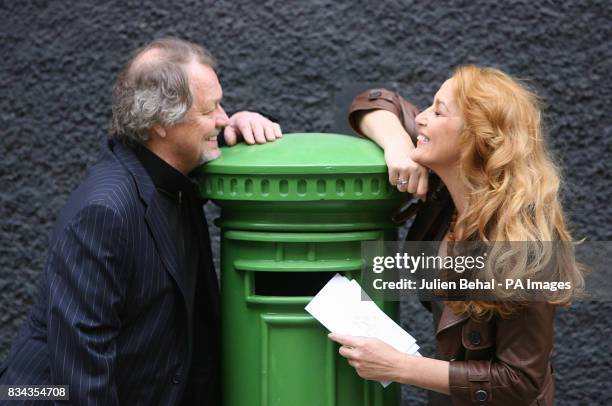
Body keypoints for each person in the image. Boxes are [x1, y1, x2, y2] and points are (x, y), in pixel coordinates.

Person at [0, 37, 281, 405]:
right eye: (210, 109)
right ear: (162, 122)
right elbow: (82, 371)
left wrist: (243, 133)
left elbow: (220, 151)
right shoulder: (104, 212)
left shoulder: (174, 172)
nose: (223, 117)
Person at [328, 65, 585, 405]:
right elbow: (367, 101)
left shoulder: (524, 243)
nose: (420, 117)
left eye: (437, 111)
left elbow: (521, 381)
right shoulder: (446, 197)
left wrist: (400, 366)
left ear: (474, 137)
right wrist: (396, 145)